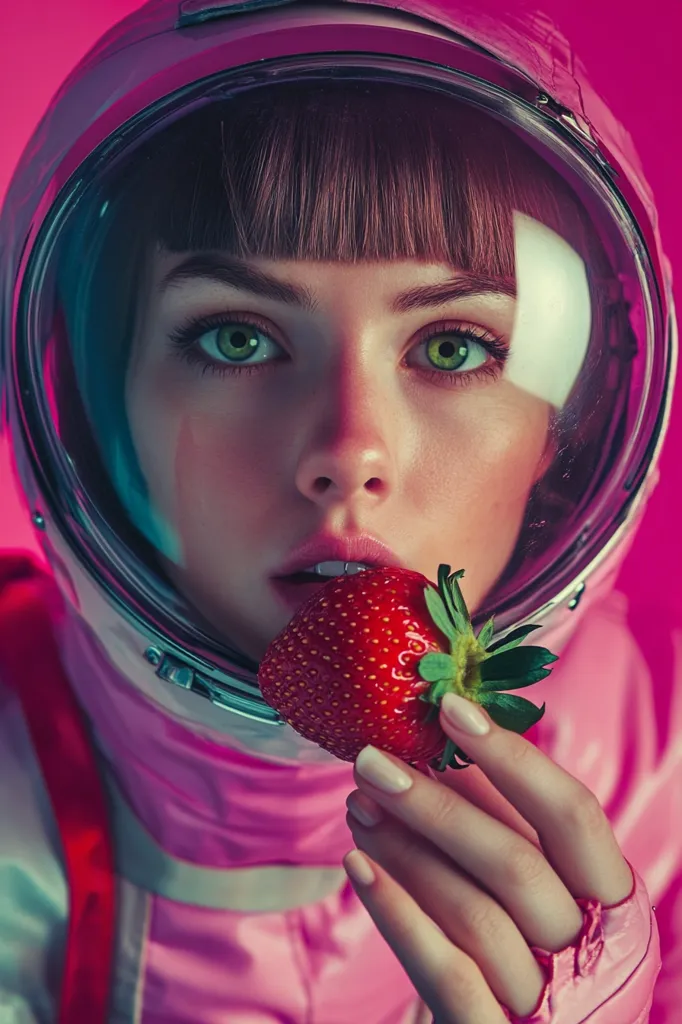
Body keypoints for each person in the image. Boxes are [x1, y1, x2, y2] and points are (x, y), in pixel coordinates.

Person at [0, 1, 678, 1021]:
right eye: (235, 338)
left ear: (565, 427)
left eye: (452, 347)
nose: (347, 452)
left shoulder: (640, 746)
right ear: (97, 400)